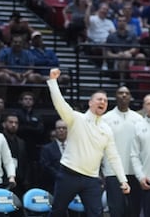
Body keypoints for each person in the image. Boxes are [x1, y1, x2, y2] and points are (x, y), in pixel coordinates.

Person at [47, 68, 130, 216]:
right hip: (68, 174)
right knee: (57, 211)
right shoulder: (76, 118)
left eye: (105, 100)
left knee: (96, 214)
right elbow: (60, 104)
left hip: (92, 179)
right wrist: (53, 81)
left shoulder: (107, 129)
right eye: (99, 99)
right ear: (90, 102)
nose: (103, 102)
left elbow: (113, 156)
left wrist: (123, 180)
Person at [101, 86, 142, 217]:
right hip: (113, 171)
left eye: (126, 93)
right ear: (115, 96)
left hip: (134, 171)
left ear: (130, 97)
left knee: (134, 210)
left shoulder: (138, 119)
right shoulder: (105, 119)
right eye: (120, 93)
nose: (124, 95)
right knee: (116, 210)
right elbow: (100, 146)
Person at [39, 119, 67, 193]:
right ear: (55, 130)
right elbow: (46, 166)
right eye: (59, 128)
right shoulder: (47, 149)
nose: (61, 130)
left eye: (64, 128)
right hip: (53, 185)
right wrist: (60, 176)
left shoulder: (74, 147)